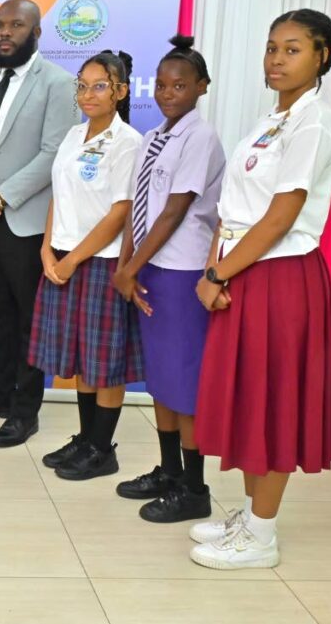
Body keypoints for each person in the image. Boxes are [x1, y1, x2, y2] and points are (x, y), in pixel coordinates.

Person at [188, 9, 331, 570]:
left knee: (271, 402)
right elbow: (233, 208)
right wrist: (215, 266)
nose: (276, 59)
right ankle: (250, 518)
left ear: (322, 57)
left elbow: (281, 215)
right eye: (272, 48)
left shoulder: (313, 122)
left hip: (279, 275)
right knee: (248, 396)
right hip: (242, 269)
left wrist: (218, 275)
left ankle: (263, 536)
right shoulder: (271, 119)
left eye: (292, 49)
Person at [0, 0, 78, 448]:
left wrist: (1, 197)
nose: (4, 33)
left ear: (36, 33)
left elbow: (54, 152)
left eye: (16, 25)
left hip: (25, 221)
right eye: (0, 25)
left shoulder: (59, 84)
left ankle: (26, 411)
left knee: (29, 320)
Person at [111, 36, 225, 523]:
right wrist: (126, 265)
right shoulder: (155, 136)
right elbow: (142, 209)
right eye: (160, 84)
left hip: (180, 272)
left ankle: (195, 488)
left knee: (183, 382)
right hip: (150, 268)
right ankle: (168, 470)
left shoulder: (201, 138)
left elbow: (175, 211)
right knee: (160, 379)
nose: (168, 92)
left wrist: (130, 270)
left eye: (180, 84)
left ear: (201, 86)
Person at [28, 50, 144, 481]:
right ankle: (85, 437)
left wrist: (74, 259)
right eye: (82, 85)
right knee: (79, 355)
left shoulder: (128, 141)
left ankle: (102, 447)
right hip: (61, 257)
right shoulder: (74, 135)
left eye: (99, 86)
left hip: (99, 262)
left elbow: (120, 212)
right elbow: (60, 195)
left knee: (105, 360)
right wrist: (47, 250)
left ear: (121, 91)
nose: (88, 94)